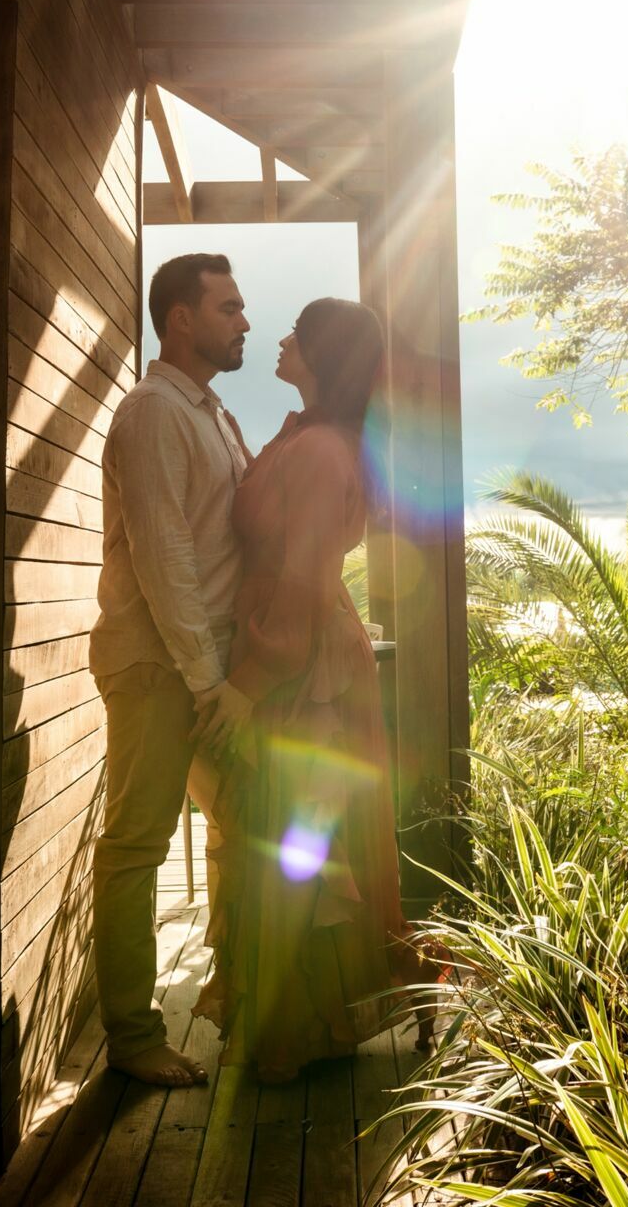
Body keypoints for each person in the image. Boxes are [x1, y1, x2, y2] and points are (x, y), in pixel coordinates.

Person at [190, 297, 417, 1082]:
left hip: (303, 663)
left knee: (295, 842)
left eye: (295, 328)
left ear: (321, 350)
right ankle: (295, 1023)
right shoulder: (306, 436)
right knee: (283, 837)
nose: (279, 336)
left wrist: (250, 681)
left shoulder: (322, 451)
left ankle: (290, 1031)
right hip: (294, 652)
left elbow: (306, 579)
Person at [89, 251, 255, 1088]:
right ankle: (131, 1037)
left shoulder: (213, 414)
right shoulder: (155, 412)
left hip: (204, 668)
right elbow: (165, 558)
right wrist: (205, 681)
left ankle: (242, 994)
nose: (245, 323)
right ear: (180, 319)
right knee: (134, 847)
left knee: (243, 825)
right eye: (228, 308)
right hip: (162, 669)